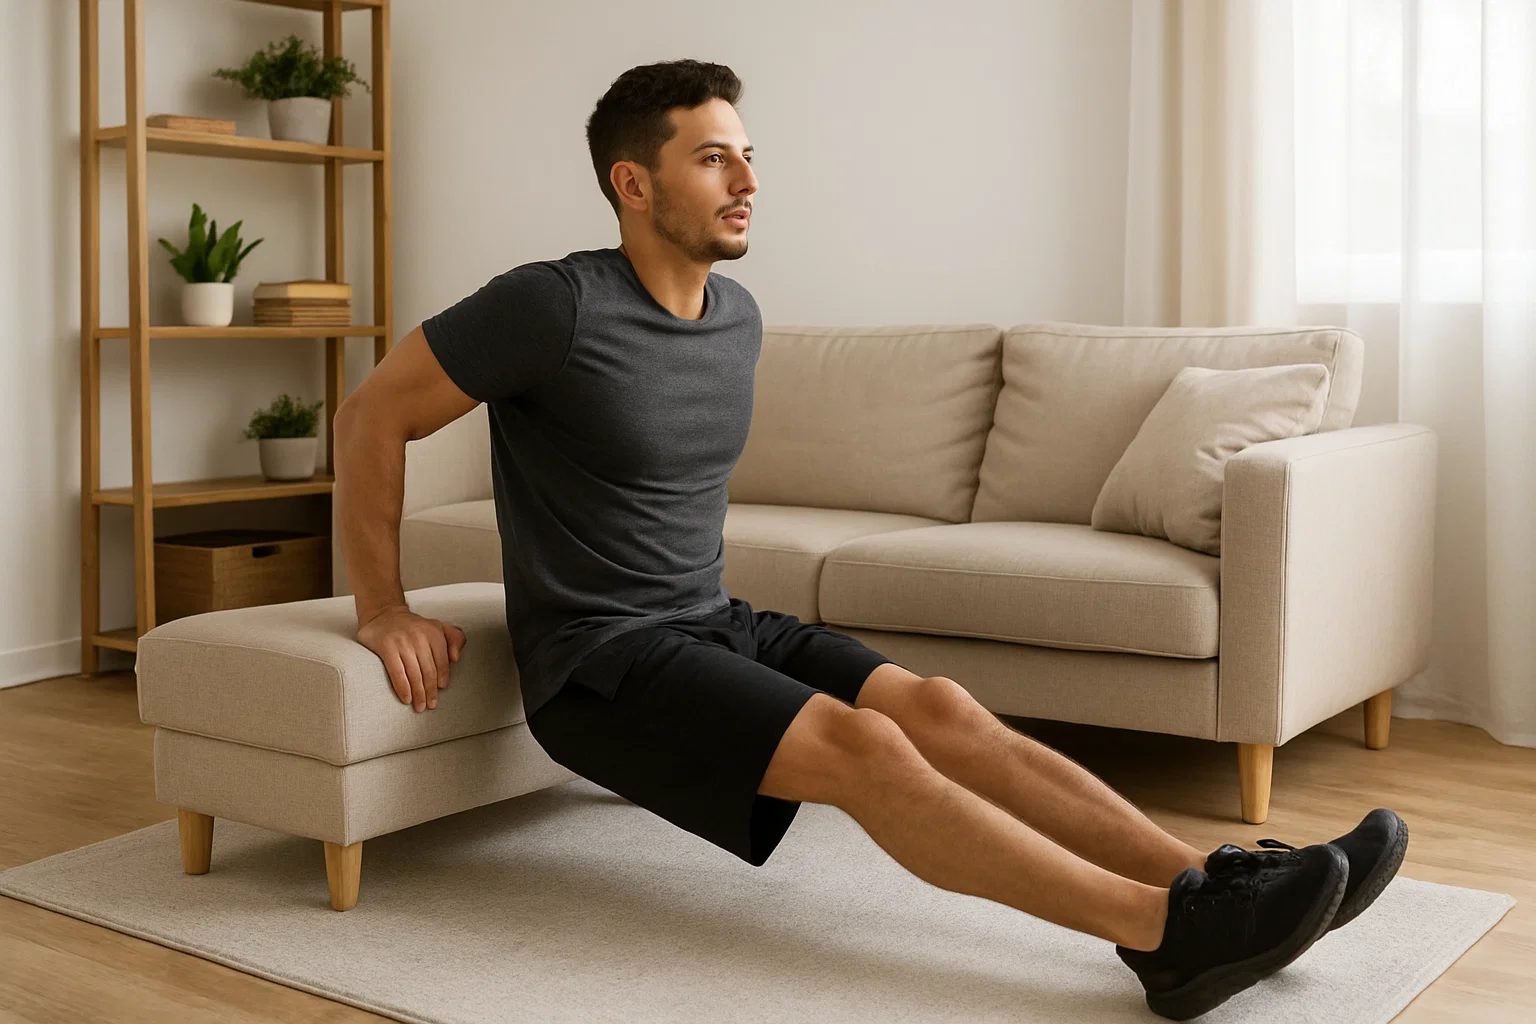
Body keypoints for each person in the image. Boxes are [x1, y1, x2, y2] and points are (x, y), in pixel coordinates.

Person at [332, 58, 1407, 1021]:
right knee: (870, 750)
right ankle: (1164, 937)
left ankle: (1218, 882)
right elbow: (372, 414)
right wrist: (384, 607)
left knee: (937, 706)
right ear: (634, 183)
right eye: (713, 160)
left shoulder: (738, 314)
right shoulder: (550, 305)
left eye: (749, 157)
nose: (747, 180)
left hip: (709, 621)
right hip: (600, 663)